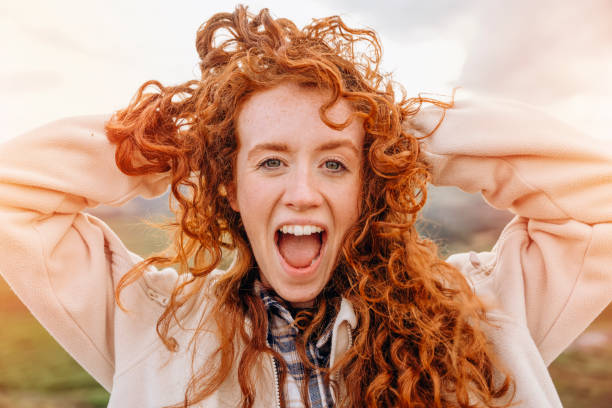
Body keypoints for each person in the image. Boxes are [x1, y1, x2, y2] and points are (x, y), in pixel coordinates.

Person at [0, 5, 611, 408]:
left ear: (369, 187)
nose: (301, 192)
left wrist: (401, 134)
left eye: (335, 163)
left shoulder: (486, 309)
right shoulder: (152, 325)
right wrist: (173, 143)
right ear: (229, 188)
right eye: (270, 161)